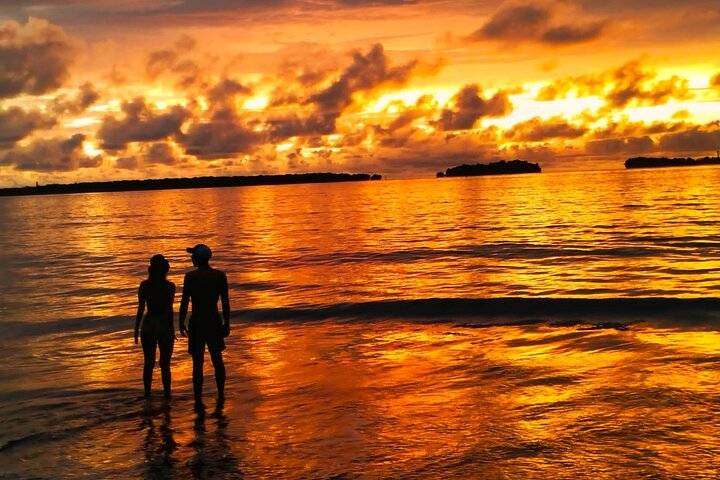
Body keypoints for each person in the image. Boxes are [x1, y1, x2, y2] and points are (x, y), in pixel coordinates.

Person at [179, 244, 230, 410]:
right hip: (214, 321)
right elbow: (225, 302)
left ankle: (198, 399)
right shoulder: (220, 276)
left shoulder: (191, 277)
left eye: (193, 255)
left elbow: (185, 301)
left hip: (198, 322)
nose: (191, 258)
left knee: (197, 362)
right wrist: (227, 322)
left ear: (198, 258)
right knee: (217, 360)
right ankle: (221, 394)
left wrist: (181, 321)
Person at [135, 254, 175, 397]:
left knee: (148, 363)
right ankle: (167, 395)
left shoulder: (144, 285)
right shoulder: (170, 287)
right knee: (165, 364)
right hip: (164, 326)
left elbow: (141, 308)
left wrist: (136, 329)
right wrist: (172, 329)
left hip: (148, 325)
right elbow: (169, 310)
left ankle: (147, 395)